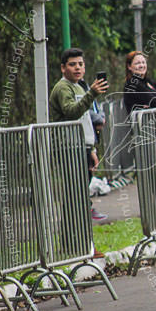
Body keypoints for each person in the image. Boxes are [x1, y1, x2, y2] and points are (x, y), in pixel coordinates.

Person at [49, 47, 109, 222]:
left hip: (82, 146)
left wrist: (91, 149)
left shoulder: (79, 87)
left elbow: (85, 120)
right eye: (72, 64)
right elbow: (71, 112)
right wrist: (92, 93)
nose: (77, 68)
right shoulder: (63, 88)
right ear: (63, 68)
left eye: (80, 64)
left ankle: (84, 244)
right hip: (68, 147)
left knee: (82, 192)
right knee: (75, 195)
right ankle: (73, 243)